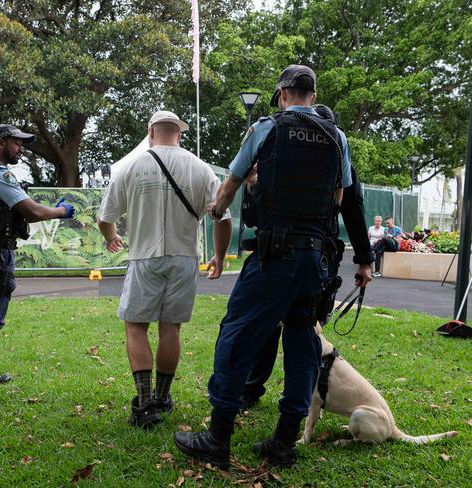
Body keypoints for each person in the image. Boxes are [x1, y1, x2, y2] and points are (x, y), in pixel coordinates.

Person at [174, 65, 372, 469]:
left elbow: (231, 180)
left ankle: (218, 438)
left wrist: (218, 207)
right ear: (312, 97)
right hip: (316, 260)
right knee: (303, 347)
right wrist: (359, 255)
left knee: (237, 336)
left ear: (283, 95)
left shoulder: (267, 128)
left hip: (273, 255)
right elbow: (342, 198)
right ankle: (283, 443)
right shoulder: (338, 138)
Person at [98, 110, 232, 429]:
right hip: (184, 257)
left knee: (135, 326)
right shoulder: (200, 168)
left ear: (151, 132)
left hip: (144, 256)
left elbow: (106, 218)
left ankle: (144, 404)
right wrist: (220, 257)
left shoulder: (130, 167)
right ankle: (163, 396)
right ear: (180, 134)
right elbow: (222, 218)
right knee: (170, 328)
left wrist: (112, 237)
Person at [238, 104, 375, 412]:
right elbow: (354, 209)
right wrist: (365, 260)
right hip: (315, 259)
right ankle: (292, 401)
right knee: (302, 331)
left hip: (284, 255)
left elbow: (352, 208)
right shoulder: (333, 154)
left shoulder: (290, 148)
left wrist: (365, 258)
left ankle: (259, 391)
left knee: (282, 328)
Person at [0, 124, 75, 406]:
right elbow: (31, 211)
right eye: (17, 143)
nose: (21, 148)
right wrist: (61, 212)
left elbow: (21, 209)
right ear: (0, 143)